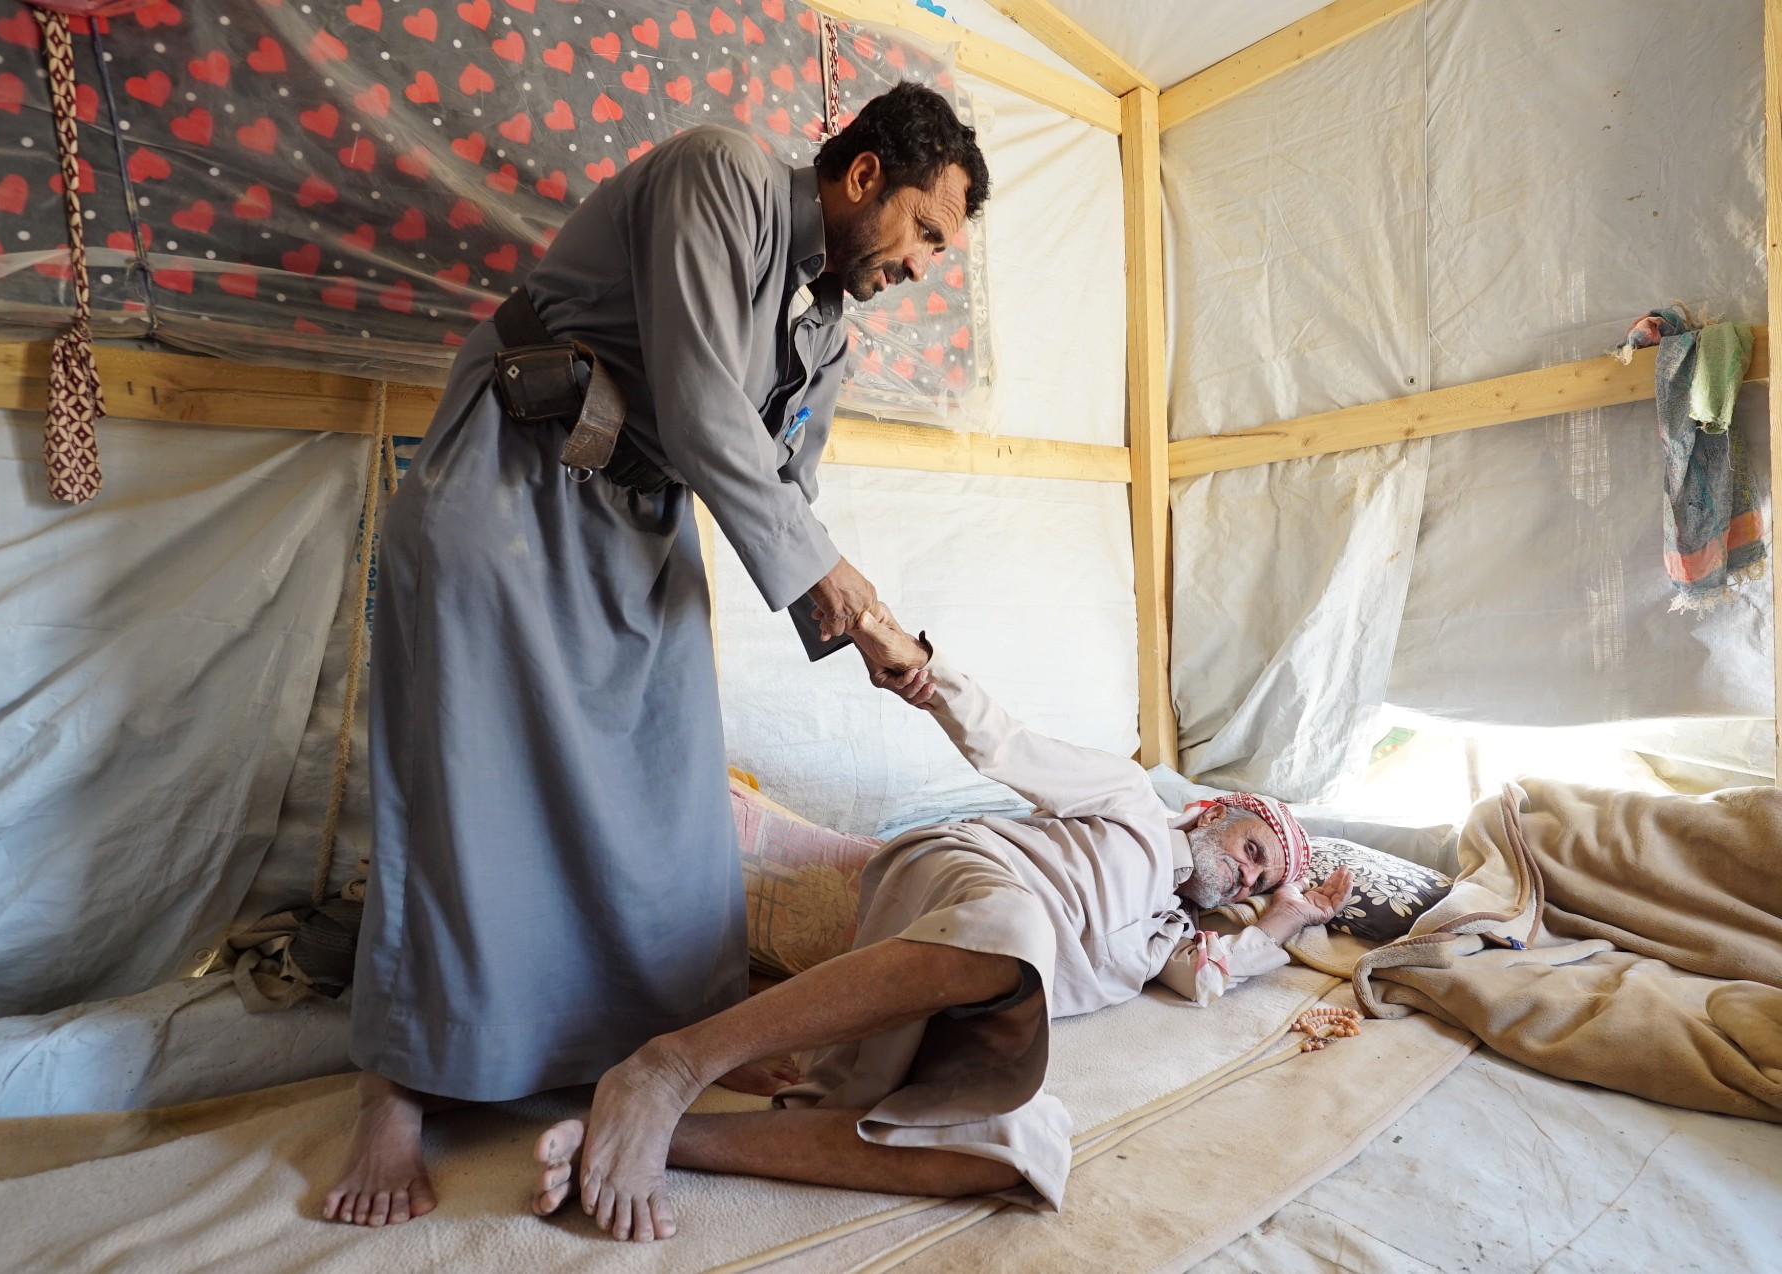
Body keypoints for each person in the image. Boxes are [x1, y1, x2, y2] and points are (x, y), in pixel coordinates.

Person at [325, 84, 993, 1227]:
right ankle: (402, 1086)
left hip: (637, 528)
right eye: (928, 230)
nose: (926, 266)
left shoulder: (824, 333)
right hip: (511, 487)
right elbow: (696, 402)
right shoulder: (718, 173)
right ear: (868, 174)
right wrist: (836, 583)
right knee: (463, 792)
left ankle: (660, 1051)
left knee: (671, 793)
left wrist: (858, 630)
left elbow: (785, 491)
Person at [530, 608, 1355, 1241]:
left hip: (986, 991)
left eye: (1257, 878)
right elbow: (1009, 747)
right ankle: (669, 1070)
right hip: (967, 881)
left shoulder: (1166, 943)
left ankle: (671, 1139)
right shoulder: (1133, 801)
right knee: (1017, 921)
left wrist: (1285, 916)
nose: (1246, 873)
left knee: (1019, 1155)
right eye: (1252, 849)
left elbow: (1212, 975)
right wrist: (923, 668)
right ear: (1213, 811)